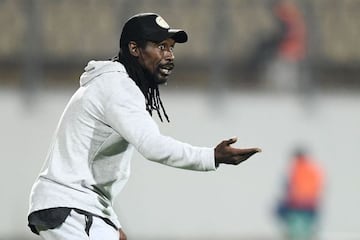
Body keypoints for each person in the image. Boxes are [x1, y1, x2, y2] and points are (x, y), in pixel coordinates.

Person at [27, 13, 261, 240]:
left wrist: (112, 221)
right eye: (161, 46)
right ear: (134, 49)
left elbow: (89, 169)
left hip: (75, 205)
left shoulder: (112, 83)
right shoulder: (118, 88)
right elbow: (153, 146)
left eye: (171, 48)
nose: (169, 55)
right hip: (73, 206)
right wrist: (212, 156)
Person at [276, 148, 324, 240]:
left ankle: (295, 235)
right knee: (305, 225)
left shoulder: (297, 169)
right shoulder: (314, 169)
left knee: (295, 224)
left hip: (298, 203)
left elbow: (291, 187)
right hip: (310, 203)